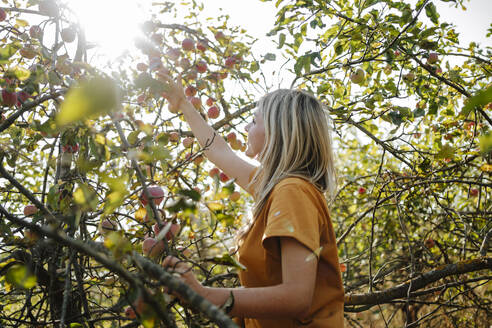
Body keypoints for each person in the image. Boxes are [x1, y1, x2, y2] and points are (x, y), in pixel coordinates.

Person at [159, 73, 345, 327]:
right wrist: (182, 104)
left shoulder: (292, 191)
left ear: (278, 131)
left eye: (254, 121)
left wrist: (206, 294)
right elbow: (218, 150)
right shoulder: (276, 187)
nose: (246, 128)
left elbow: (297, 297)